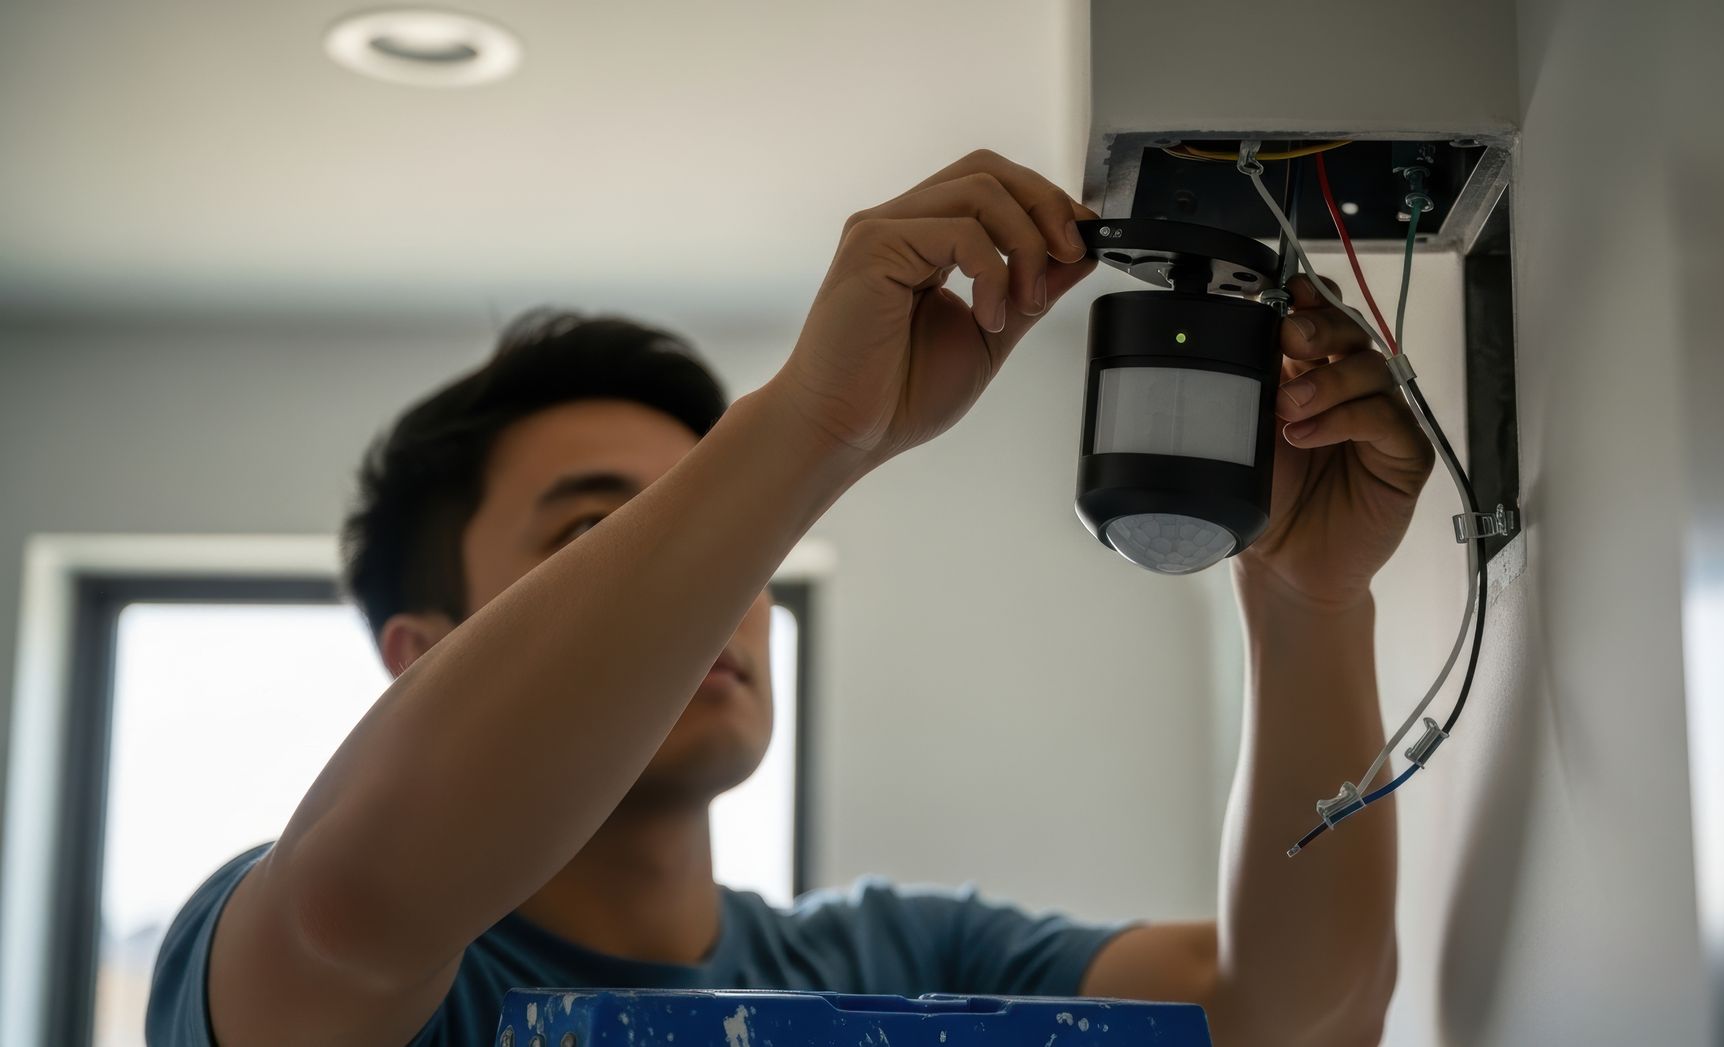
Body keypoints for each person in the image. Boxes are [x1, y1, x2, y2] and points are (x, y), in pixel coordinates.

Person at [147, 151, 1426, 1047]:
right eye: (606, 534)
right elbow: (351, 910)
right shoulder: (294, 947)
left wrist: (1308, 603)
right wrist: (808, 430)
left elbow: (1292, 1022)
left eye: (714, 533)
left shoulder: (899, 972)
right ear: (422, 651)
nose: (719, 591)